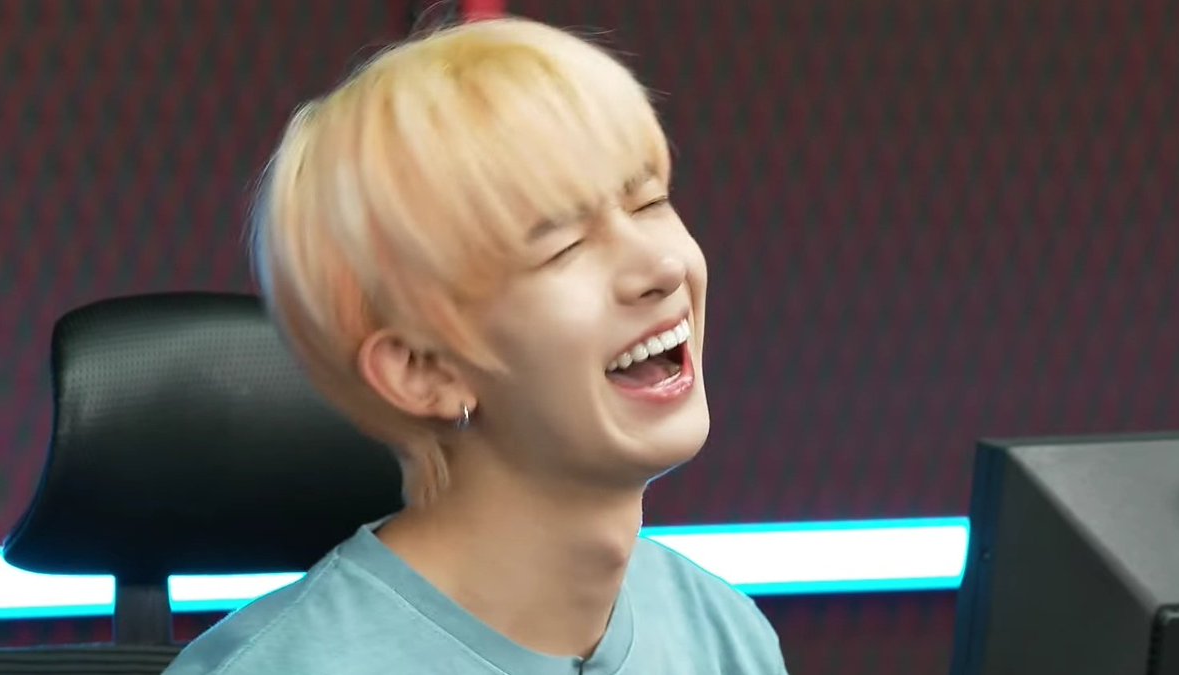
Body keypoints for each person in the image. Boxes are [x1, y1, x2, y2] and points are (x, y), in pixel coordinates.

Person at [164, 16, 787, 675]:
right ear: (423, 370)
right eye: (565, 245)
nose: (661, 267)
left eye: (648, 204)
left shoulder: (723, 632)